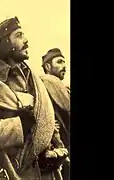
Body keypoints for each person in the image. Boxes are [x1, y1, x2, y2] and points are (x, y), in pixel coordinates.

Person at [0, 17, 68, 180]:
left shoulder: (34, 80)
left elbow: (47, 120)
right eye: (19, 35)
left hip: (43, 172)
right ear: (6, 43)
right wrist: (18, 125)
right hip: (11, 174)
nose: (26, 40)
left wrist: (56, 149)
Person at [40, 48, 70, 180]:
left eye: (65, 63)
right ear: (47, 66)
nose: (64, 66)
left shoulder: (63, 88)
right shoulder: (47, 80)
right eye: (59, 62)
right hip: (58, 150)